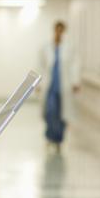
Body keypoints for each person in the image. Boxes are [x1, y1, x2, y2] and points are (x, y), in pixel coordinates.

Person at [38, 20, 80, 152]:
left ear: (64, 31)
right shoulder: (45, 47)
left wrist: (75, 81)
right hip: (50, 87)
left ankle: (58, 140)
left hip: (64, 87)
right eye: (57, 29)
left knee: (62, 115)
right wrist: (38, 83)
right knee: (50, 113)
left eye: (61, 30)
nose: (59, 32)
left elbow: (75, 65)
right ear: (54, 30)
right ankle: (50, 136)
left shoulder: (69, 47)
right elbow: (40, 66)